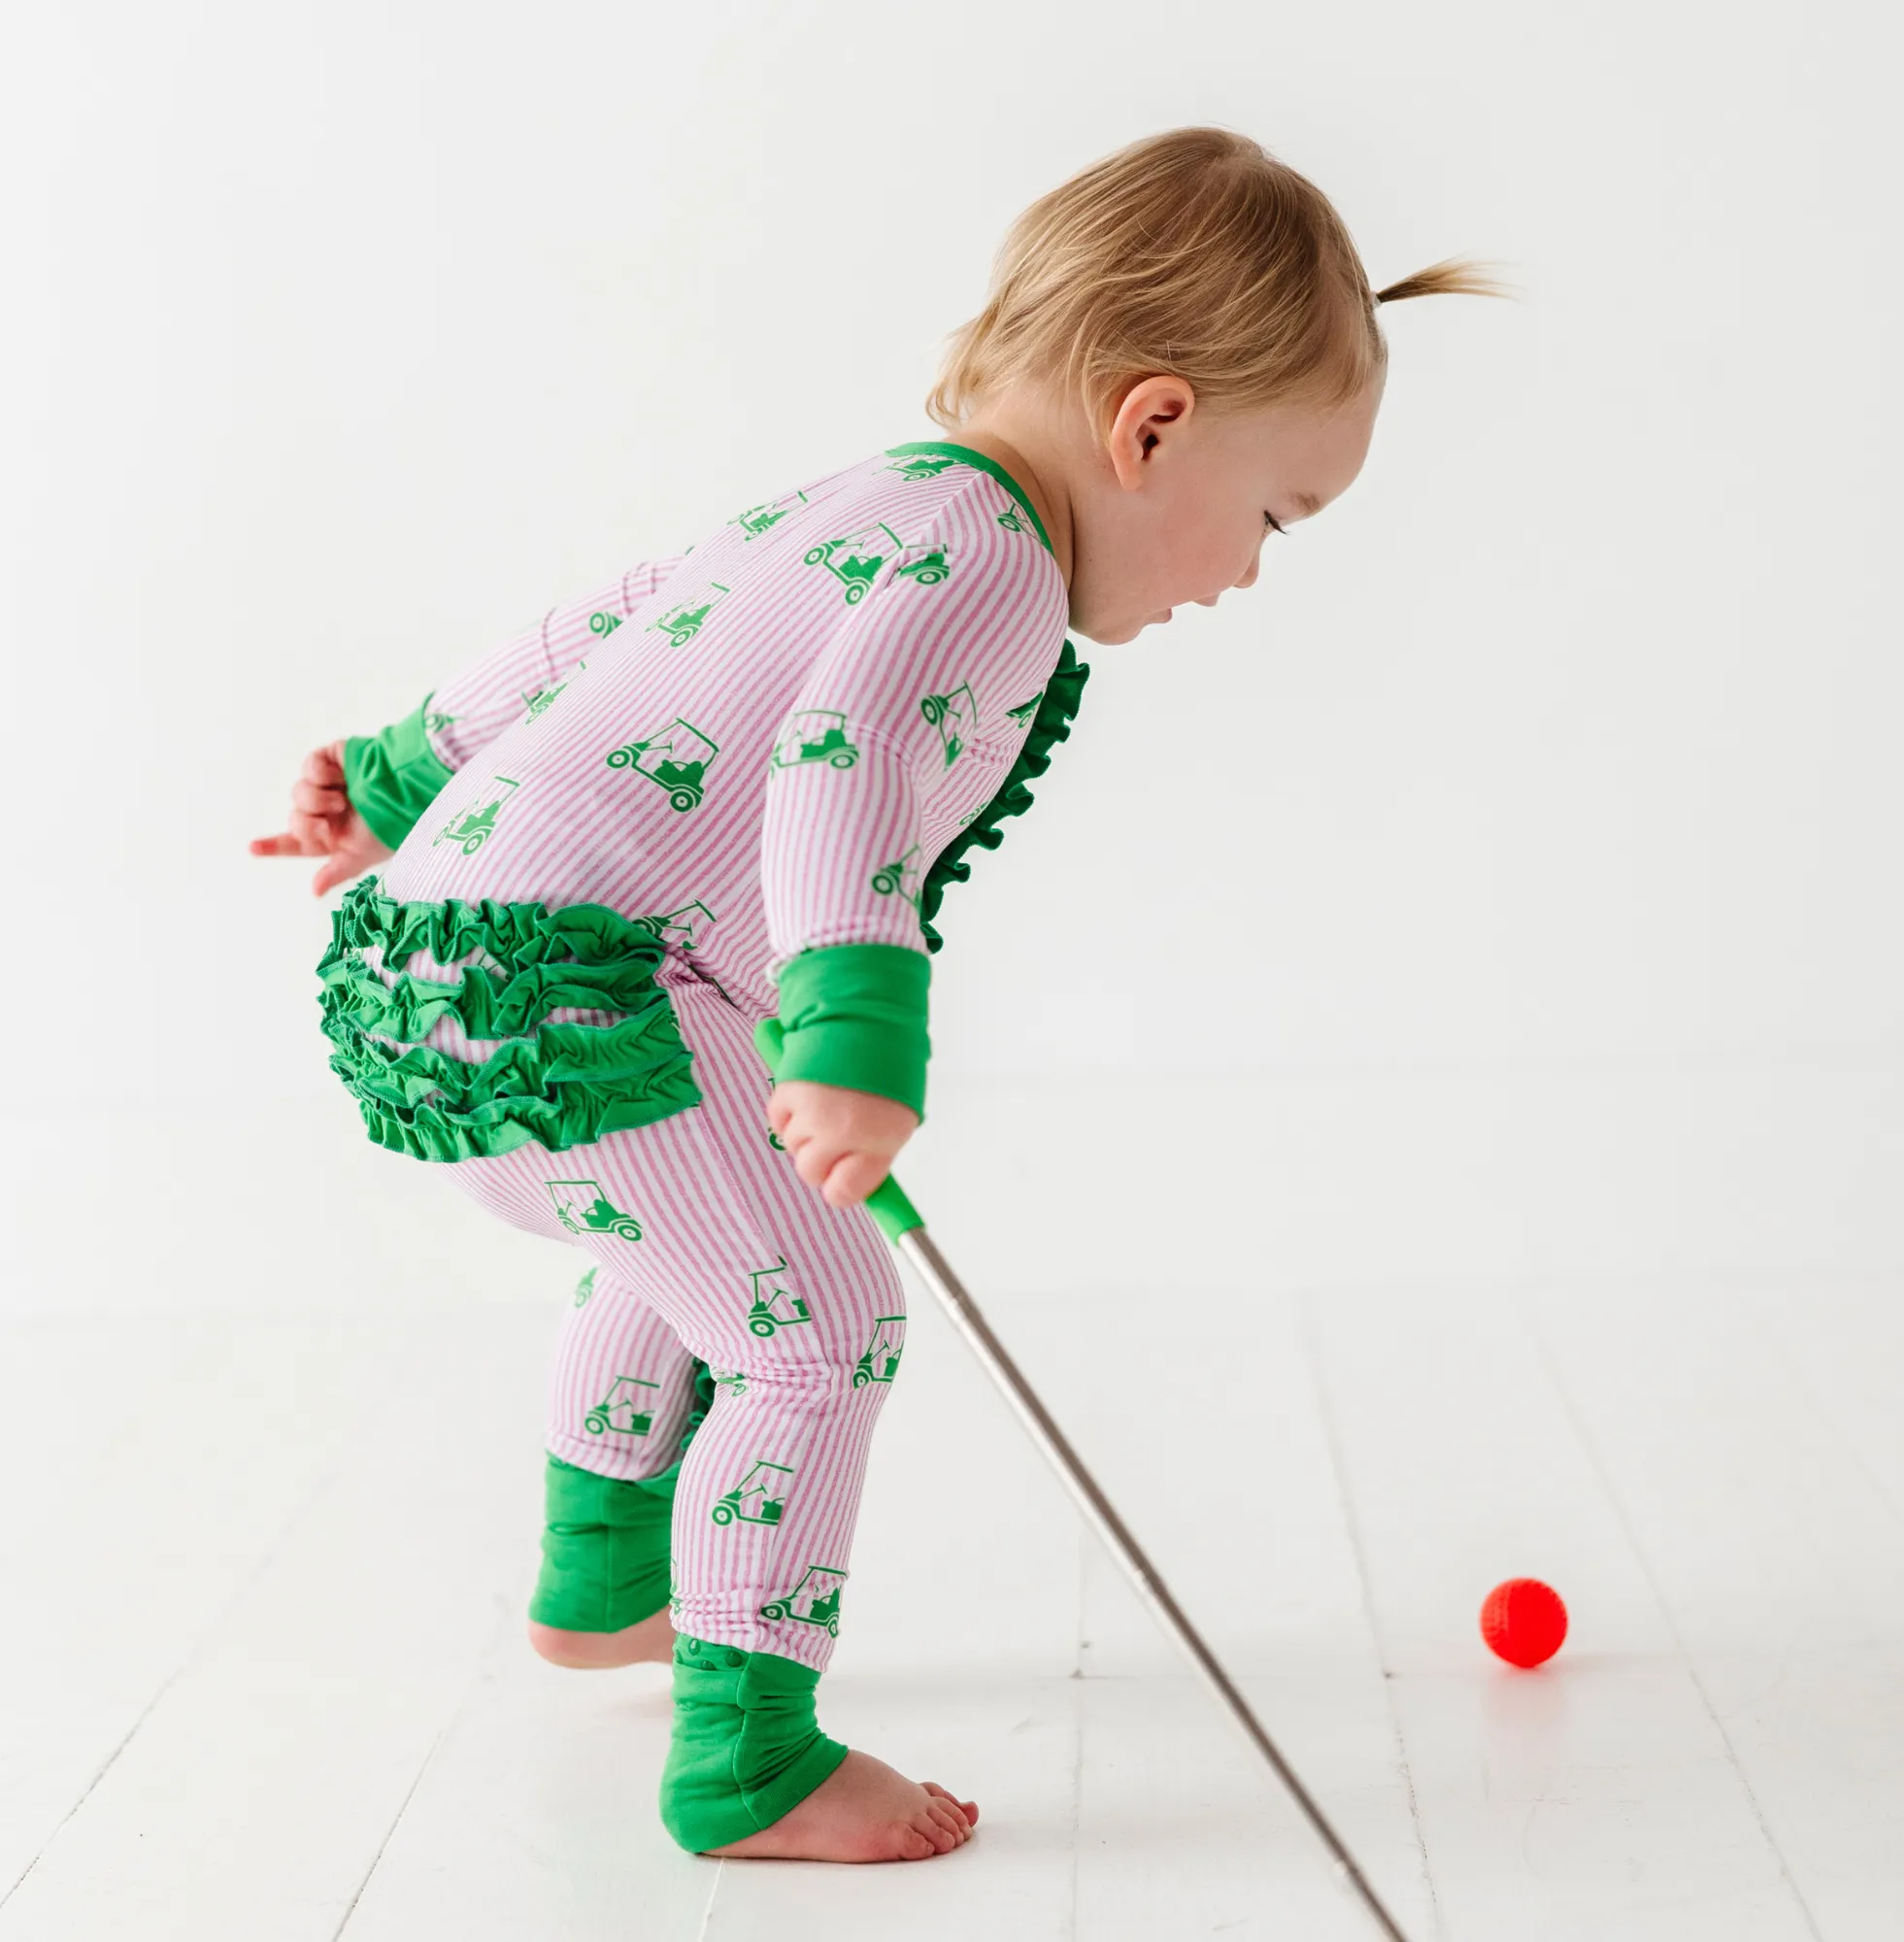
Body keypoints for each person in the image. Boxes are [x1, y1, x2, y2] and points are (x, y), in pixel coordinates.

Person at [251, 125, 1509, 1865]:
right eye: (1275, 515)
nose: (1244, 574)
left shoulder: (856, 499)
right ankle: (749, 1760)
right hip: (583, 984)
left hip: (433, 960)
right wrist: (854, 1038)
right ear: (1152, 427)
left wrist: (391, 772)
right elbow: (836, 778)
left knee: (682, 1240)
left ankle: (608, 1575)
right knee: (821, 1325)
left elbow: (610, 622)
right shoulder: (992, 570)